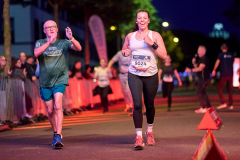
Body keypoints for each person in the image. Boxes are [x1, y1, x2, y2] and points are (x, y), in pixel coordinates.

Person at [122, 10, 167, 150]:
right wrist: (126, 52)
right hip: (134, 73)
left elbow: (164, 55)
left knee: (150, 105)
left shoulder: (155, 35)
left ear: (148, 21)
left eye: (144, 18)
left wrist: (152, 43)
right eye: (139, 18)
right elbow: (124, 50)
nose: (142, 20)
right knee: (136, 104)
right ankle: (138, 136)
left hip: (151, 75)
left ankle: (150, 131)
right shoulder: (130, 36)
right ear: (136, 21)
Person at [34, 20, 82, 148]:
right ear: (44, 30)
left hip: (60, 79)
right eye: (47, 28)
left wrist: (71, 38)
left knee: (57, 104)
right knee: (50, 110)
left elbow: (78, 48)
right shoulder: (40, 42)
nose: (50, 29)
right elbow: (36, 53)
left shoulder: (63, 43)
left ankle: (58, 136)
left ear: (56, 29)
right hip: (45, 82)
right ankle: (55, 132)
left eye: (53, 27)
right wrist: (49, 42)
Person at [185, 45, 211, 113]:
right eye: (198, 50)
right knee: (203, 92)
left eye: (200, 50)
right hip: (204, 78)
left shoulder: (204, 59)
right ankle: (209, 107)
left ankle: (203, 107)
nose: (198, 52)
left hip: (203, 78)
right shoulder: (201, 59)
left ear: (204, 51)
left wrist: (190, 70)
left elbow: (200, 68)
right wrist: (193, 62)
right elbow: (197, 66)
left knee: (199, 92)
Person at [212, 43, 234, 110]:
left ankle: (223, 103)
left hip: (224, 74)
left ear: (221, 48)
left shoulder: (220, 55)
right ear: (227, 48)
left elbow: (217, 62)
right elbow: (232, 62)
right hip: (230, 74)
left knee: (219, 87)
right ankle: (231, 105)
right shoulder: (231, 55)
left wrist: (214, 69)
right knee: (229, 89)